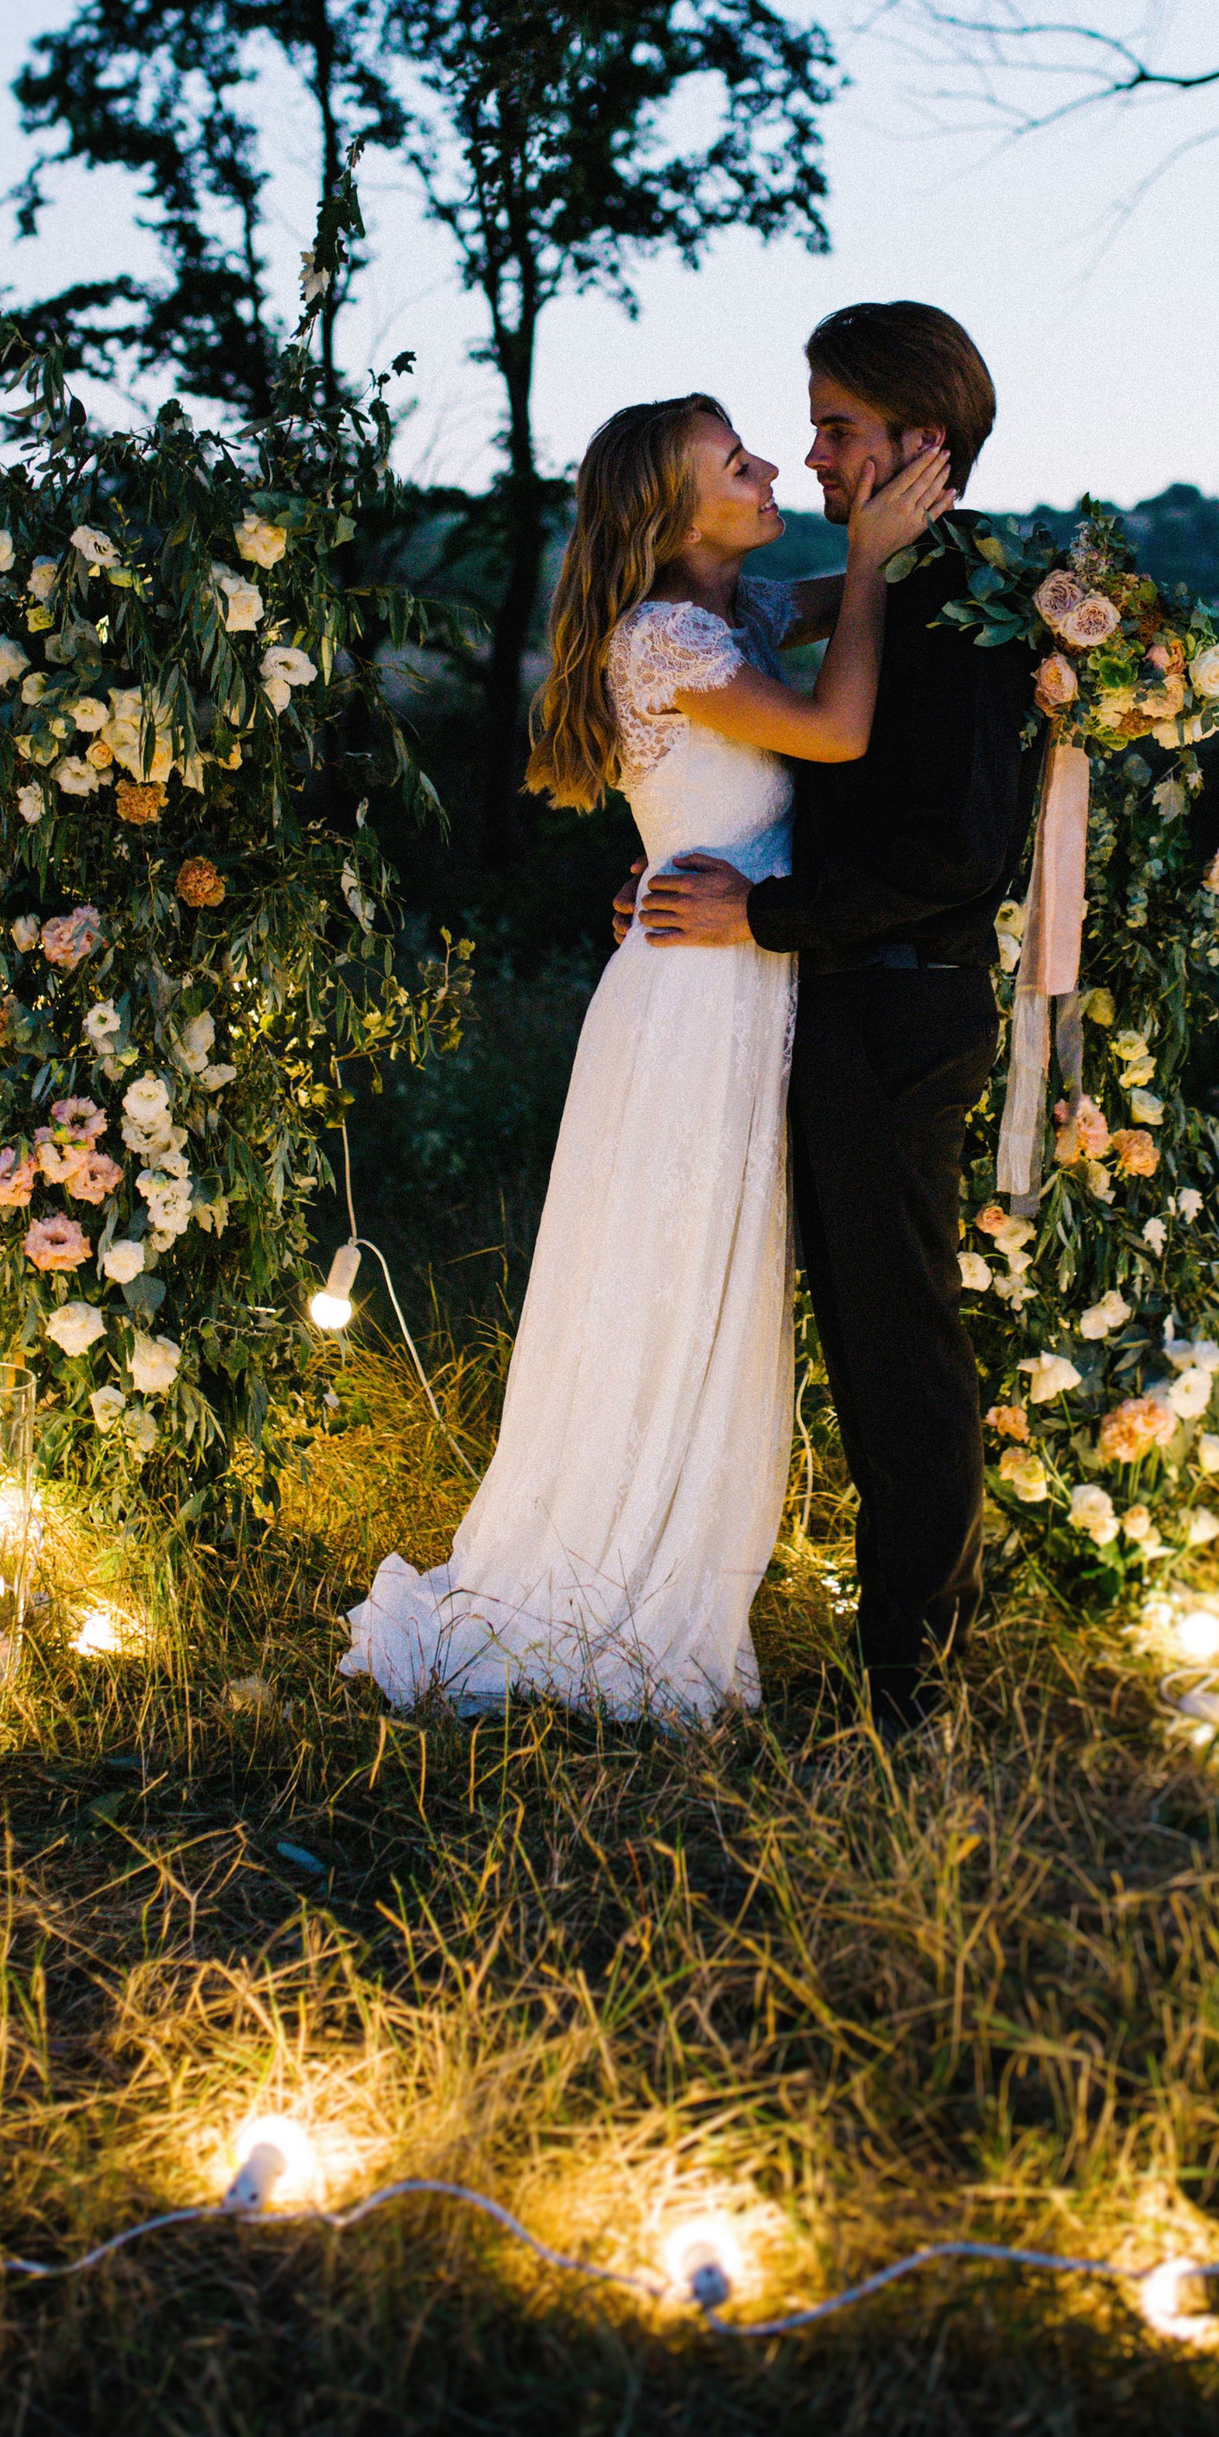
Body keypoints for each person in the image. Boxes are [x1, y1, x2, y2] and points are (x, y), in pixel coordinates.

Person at [340, 390, 951, 1720]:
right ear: (670, 515)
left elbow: (830, 627)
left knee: (705, 1281)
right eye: (735, 460)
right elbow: (838, 732)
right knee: (668, 1285)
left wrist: (886, 550)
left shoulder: (736, 612)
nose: (770, 463)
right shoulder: (669, 636)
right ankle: (609, 1575)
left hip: (729, 972)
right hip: (696, 997)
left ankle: (673, 1542)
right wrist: (864, 562)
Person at [635, 303, 1033, 1728]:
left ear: (920, 444)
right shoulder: (897, 588)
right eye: (802, 429)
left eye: (835, 429)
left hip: (895, 1014)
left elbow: (951, 860)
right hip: (839, 1013)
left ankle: (914, 1688)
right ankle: (887, 1653)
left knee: (899, 1349)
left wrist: (761, 918)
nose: (808, 456)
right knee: (863, 1348)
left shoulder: (962, 610)